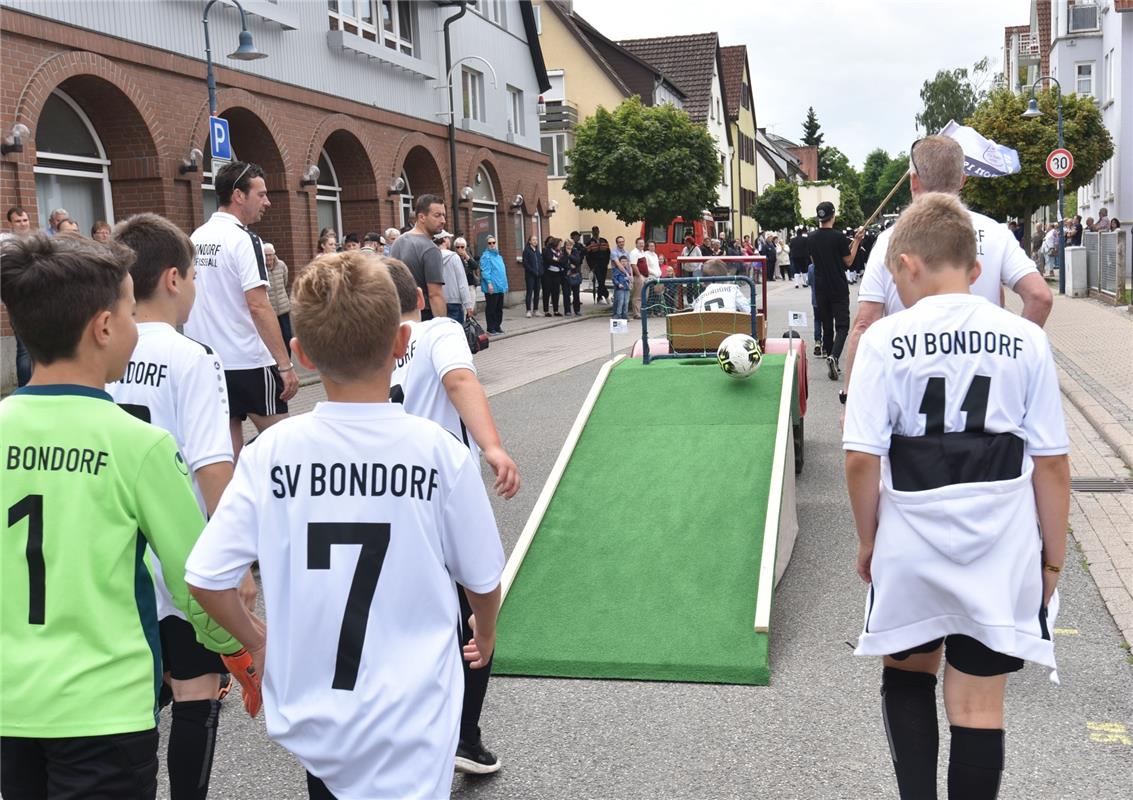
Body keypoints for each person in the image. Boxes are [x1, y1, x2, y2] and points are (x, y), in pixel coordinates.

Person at [185, 251, 504, 800]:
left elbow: (206, 577)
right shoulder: (439, 453)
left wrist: (258, 641)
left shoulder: (271, 452)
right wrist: (487, 629)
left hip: (314, 708)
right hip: (414, 711)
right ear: (403, 343)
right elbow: (482, 581)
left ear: (301, 354)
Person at [0, 232, 250, 800]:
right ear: (103, 327)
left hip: (10, 702)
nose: (138, 326)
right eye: (130, 309)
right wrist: (248, 644)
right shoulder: (140, 445)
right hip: (103, 706)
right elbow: (198, 582)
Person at [843, 192, 1069, 800]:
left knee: (909, 677)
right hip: (1000, 546)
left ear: (908, 263)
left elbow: (862, 458)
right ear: (975, 269)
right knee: (977, 705)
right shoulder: (1026, 340)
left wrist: (869, 540)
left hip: (913, 539)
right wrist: (1051, 559)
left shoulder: (884, 340)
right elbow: (1051, 463)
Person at [107, 213, 259, 800]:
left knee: (136, 694)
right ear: (173, 279)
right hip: (182, 556)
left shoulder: (98, 344)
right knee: (197, 690)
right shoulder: (193, 356)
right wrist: (235, 560)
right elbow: (213, 467)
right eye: (195, 276)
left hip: (120, 553)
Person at [385, 258, 518, 775]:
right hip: (436, 492)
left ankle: (400, 726)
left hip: (379, 492)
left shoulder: (369, 343)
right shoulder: (440, 330)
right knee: (474, 608)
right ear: (419, 298)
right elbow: (460, 380)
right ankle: (463, 734)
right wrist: (493, 446)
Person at [845, 135, 1052, 404]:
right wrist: (1011, 356)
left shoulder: (891, 239)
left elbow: (864, 324)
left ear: (913, 181)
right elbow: (1040, 297)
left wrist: (849, 397)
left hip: (907, 383)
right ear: (963, 179)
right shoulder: (996, 233)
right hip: (982, 385)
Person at [184, 160, 298, 459]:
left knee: (226, 455)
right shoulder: (245, 239)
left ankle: (227, 504)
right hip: (248, 361)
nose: (267, 202)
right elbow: (259, 305)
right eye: (260, 194)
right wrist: (284, 365)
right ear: (238, 195)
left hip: (210, 363)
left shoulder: (196, 237)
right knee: (284, 449)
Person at [809, 200, 864, 380]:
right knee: (842, 325)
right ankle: (834, 356)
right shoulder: (838, 237)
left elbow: (814, 260)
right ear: (833, 216)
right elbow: (848, 261)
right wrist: (856, 241)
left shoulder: (812, 238)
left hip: (821, 286)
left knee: (827, 325)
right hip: (838, 286)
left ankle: (830, 354)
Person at [390, 194, 447, 321]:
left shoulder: (398, 242)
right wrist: (443, 327)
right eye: (437, 215)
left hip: (400, 315)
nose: (443, 220)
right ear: (421, 217)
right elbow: (435, 295)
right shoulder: (431, 249)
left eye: (444, 215)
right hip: (424, 315)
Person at [4, 207, 34, 386]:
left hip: (39, 298)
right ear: (11, 224)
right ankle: (24, 389)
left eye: (25, 220)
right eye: (18, 221)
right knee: (24, 349)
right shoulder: (5, 242)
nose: (23, 224)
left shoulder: (36, 240)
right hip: (17, 299)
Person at [436, 231, 473, 324]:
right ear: (444, 239)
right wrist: (468, 304)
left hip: (437, 302)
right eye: (448, 238)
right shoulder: (454, 257)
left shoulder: (431, 257)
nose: (450, 240)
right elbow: (462, 282)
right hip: (454, 301)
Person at [264, 242, 293, 357]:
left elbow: (285, 282)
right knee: (273, 337)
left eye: (270, 254)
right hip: (270, 310)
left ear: (274, 254)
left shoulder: (281, 265)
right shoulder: (260, 268)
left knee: (287, 336)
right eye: (266, 255)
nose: (268, 257)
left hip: (283, 308)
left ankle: (288, 359)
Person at [479, 235, 508, 334]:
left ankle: (497, 326)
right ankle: (490, 328)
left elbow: (502, 272)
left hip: (500, 286)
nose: (492, 244)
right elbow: (485, 271)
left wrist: (505, 285)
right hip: (492, 287)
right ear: (487, 245)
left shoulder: (499, 256)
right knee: (491, 308)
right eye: (490, 243)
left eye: (493, 242)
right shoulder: (486, 257)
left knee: (499, 308)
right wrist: (489, 284)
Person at [585, 227, 611, 304]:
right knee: (600, 280)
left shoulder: (604, 240)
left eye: (597, 231)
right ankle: (606, 296)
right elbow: (588, 256)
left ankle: (599, 297)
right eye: (594, 231)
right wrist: (591, 267)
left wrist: (607, 262)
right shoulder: (589, 242)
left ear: (599, 231)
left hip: (604, 264)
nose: (596, 232)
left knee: (602, 281)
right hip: (595, 265)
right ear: (592, 232)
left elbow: (608, 252)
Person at [541, 236, 566, 317]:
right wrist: (557, 261)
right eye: (559, 244)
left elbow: (563, 261)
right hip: (547, 274)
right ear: (555, 244)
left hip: (557, 274)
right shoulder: (547, 250)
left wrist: (556, 261)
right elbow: (548, 260)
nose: (560, 246)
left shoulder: (560, 252)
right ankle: (546, 311)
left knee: (556, 292)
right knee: (547, 292)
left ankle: (556, 310)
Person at [455, 236, 479, 309]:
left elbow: (475, 266)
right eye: (458, 247)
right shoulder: (454, 257)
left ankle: (469, 319)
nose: (460, 249)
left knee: (471, 308)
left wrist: (467, 257)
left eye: (462, 247)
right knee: (464, 310)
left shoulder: (468, 256)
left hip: (470, 285)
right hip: (461, 287)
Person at [522, 233, 543, 318]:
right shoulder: (527, 250)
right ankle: (528, 310)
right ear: (530, 241)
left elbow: (541, 262)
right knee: (529, 292)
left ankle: (536, 310)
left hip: (538, 275)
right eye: (533, 240)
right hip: (530, 275)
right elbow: (525, 263)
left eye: (536, 240)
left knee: (537, 292)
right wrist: (533, 271)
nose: (535, 241)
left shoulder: (537, 251)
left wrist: (541, 271)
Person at [611, 253, 631, 320]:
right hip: (620, 288)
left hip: (627, 288)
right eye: (622, 261)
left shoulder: (627, 270)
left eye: (625, 261)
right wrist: (618, 284)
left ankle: (625, 315)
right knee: (620, 302)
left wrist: (630, 281)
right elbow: (614, 278)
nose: (624, 263)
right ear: (619, 262)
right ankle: (618, 315)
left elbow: (629, 278)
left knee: (626, 302)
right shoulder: (616, 269)